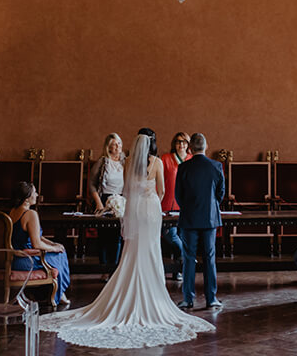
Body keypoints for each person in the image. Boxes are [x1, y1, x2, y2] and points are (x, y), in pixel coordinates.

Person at [41, 132, 215, 348]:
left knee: (133, 249)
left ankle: (126, 292)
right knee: (151, 250)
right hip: (151, 209)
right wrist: (151, 199)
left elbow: (126, 189)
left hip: (135, 210)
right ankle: (153, 295)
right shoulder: (158, 163)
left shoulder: (129, 162)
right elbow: (161, 191)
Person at [174, 133, 225, 310]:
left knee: (188, 258)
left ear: (190, 148)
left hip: (189, 218)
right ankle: (211, 298)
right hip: (210, 218)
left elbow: (178, 196)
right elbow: (220, 193)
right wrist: (210, 205)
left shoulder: (183, 167)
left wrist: (188, 207)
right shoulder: (216, 166)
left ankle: (188, 299)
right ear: (206, 146)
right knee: (210, 258)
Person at [8, 181, 71, 307]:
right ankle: (59, 293)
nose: (37, 195)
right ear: (27, 198)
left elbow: (38, 236)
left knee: (58, 250)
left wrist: (53, 244)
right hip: (25, 260)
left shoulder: (13, 211)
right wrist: (54, 249)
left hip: (13, 257)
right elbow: (36, 243)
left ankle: (51, 292)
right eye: (35, 192)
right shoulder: (31, 214)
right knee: (60, 255)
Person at [88, 132, 125, 277]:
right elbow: (91, 184)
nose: (117, 146)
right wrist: (99, 203)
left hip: (121, 200)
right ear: (108, 147)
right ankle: (103, 270)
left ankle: (113, 269)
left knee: (117, 236)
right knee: (104, 236)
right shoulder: (102, 162)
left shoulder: (125, 162)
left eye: (119, 143)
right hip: (104, 199)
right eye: (114, 144)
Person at [160, 132, 191, 280]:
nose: (181, 145)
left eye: (184, 142)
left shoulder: (192, 159)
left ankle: (177, 270)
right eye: (179, 142)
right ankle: (187, 257)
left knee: (183, 236)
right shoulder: (165, 159)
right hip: (168, 204)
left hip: (186, 205)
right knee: (171, 235)